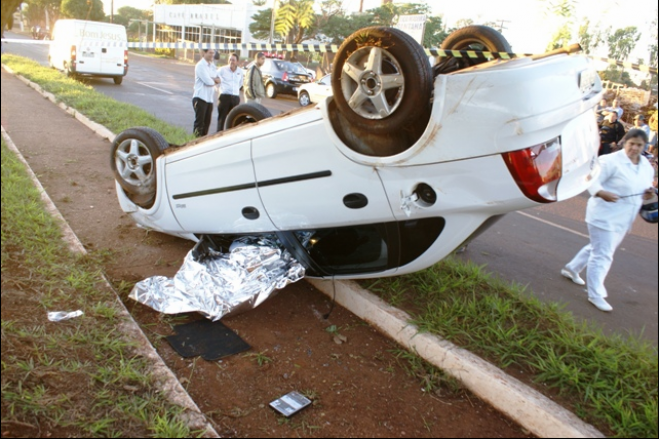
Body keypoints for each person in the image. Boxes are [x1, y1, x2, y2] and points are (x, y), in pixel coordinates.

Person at [561, 129, 655, 312]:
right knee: (602, 254)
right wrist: (600, 192)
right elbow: (591, 180)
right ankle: (596, 294)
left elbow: (644, 188)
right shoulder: (610, 161)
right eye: (631, 144)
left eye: (639, 145)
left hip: (624, 218)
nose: (634, 148)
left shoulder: (646, 166)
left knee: (601, 247)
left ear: (644, 146)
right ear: (624, 143)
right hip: (603, 216)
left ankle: (571, 268)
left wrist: (648, 193)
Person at [192, 49, 220, 137]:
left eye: (213, 53)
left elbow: (218, 79)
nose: (212, 55)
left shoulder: (212, 66)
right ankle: (194, 143)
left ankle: (202, 145)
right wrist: (214, 80)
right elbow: (208, 81)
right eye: (210, 53)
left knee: (206, 124)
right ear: (204, 53)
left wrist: (214, 80)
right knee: (199, 124)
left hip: (209, 99)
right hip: (200, 98)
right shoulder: (200, 65)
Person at [217, 53, 244, 132]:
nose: (231, 62)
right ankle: (219, 136)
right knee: (222, 119)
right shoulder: (222, 70)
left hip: (235, 97)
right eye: (230, 60)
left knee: (233, 119)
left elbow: (240, 83)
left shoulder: (240, 71)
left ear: (237, 62)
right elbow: (215, 79)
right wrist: (219, 89)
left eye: (233, 60)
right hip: (224, 97)